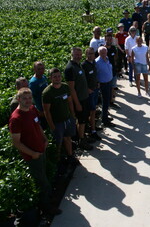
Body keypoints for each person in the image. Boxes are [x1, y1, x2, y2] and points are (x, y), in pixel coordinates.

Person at [9, 88, 62, 216]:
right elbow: (16, 142)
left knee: (44, 176)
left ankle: (48, 199)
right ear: (18, 99)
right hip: (33, 155)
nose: (28, 101)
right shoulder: (16, 119)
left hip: (41, 149)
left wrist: (44, 138)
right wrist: (32, 154)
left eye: (29, 98)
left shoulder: (32, 109)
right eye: (24, 98)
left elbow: (37, 125)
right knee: (41, 181)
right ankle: (46, 208)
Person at [42, 68, 81, 157]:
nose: (57, 78)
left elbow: (70, 101)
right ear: (50, 78)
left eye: (59, 76)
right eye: (55, 77)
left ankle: (70, 156)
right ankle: (58, 160)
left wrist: (72, 115)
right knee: (58, 143)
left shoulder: (65, 87)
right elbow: (46, 111)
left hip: (67, 119)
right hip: (57, 123)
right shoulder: (47, 93)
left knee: (68, 139)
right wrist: (52, 126)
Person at [64, 47, 93, 150]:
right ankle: (81, 140)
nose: (78, 56)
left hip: (84, 97)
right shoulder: (70, 68)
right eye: (76, 54)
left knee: (83, 120)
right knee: (81, 121)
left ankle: (82, 136)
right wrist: (77, 104)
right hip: (79, 100)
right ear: (72, 54)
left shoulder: (78, 65)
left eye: (80, 55)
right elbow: (71, 89)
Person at [81, 47, 102, 141]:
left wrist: (97, 82)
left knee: (93, 111)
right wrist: (87, 89)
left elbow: (95, 75)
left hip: (95, 90)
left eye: (92, 53)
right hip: (90, 92)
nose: (91, 55)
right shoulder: (84, 65)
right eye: (89, 54)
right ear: (86, 55)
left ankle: (93, 127)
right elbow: (83, 80)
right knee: (91, 111)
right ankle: (92, 131)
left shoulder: (93, 63)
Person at [95, 46, 115, 128]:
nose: (104, 54)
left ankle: (105, 116)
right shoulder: (97, 62)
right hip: (104, 84)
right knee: (105, 102)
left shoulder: (107, 58)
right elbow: (95, 74)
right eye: (102, 53)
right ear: (99, 53)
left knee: (107, 101)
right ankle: (104, 120)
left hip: (109, 82)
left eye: (105, 52)